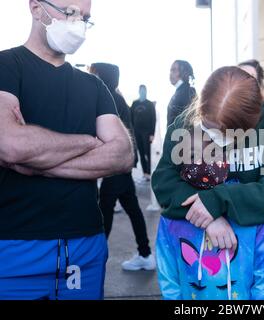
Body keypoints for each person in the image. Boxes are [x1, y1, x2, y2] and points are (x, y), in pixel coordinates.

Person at [0, 0, 134, 300]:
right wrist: (88, 141)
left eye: (85, 17)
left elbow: (123, 154)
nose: (77, 23)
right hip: (13, 244)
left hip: (84, 243)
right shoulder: (6, 66)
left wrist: (37, 162)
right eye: (69, 12)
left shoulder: (94, 86)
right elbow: (10, 145)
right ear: (36, 9)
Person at [152, 66, 264, 293]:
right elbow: (164, 181)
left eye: (225, 132)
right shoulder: (185, 125)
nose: (215, 137)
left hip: (253, 262)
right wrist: (209, 216)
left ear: (250, 123)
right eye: (208, 127)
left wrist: (219, 200)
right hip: (192, 266)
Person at [91, 63, 156, 272]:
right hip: (123, 162)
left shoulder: (109, 98)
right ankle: (145, 253)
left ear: (102, 76)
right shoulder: (114, 96)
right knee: (131, 208)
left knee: (105, 210)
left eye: (93, 73)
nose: (90, 77)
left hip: (117, 164)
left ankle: (96, 259)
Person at [131, 85, 156, 183]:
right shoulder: (135, 103)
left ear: (146, 91)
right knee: (141, 153)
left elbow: (153, 119)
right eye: (141, 90)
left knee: (147, 153)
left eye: (144, 90)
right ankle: (144, 173)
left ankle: (149, 173)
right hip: (137, 132)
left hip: (147, 132)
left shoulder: (149, 104)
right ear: (139, 91)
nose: (142, 92)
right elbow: (131, 117)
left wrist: (152, 133)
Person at [167, 60, 197, 127]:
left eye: (174, 70)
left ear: (184, 72)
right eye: (170, 70)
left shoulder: (188, 91)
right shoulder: (180, 91)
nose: (171, 73)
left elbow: (190, 120)